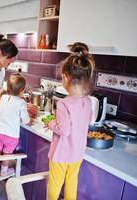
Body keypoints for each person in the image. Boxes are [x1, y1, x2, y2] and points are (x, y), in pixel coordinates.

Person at [47, 42, 95, 200]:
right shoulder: (88, 101)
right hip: (77, 153)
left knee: (54, 183)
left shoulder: (63, 103)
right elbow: (88, 121)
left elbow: (64, 130)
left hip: (61, 154)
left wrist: (51, 123)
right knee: (71, 182)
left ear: (66, 77)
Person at [0, 73, 33, 176]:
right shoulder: (21, 102)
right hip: (11, 135)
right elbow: (25, 120)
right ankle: (4, 171)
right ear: (21, 90)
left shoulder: (3, 98)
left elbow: (9, 110)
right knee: (7, 154)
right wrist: (30, 120)